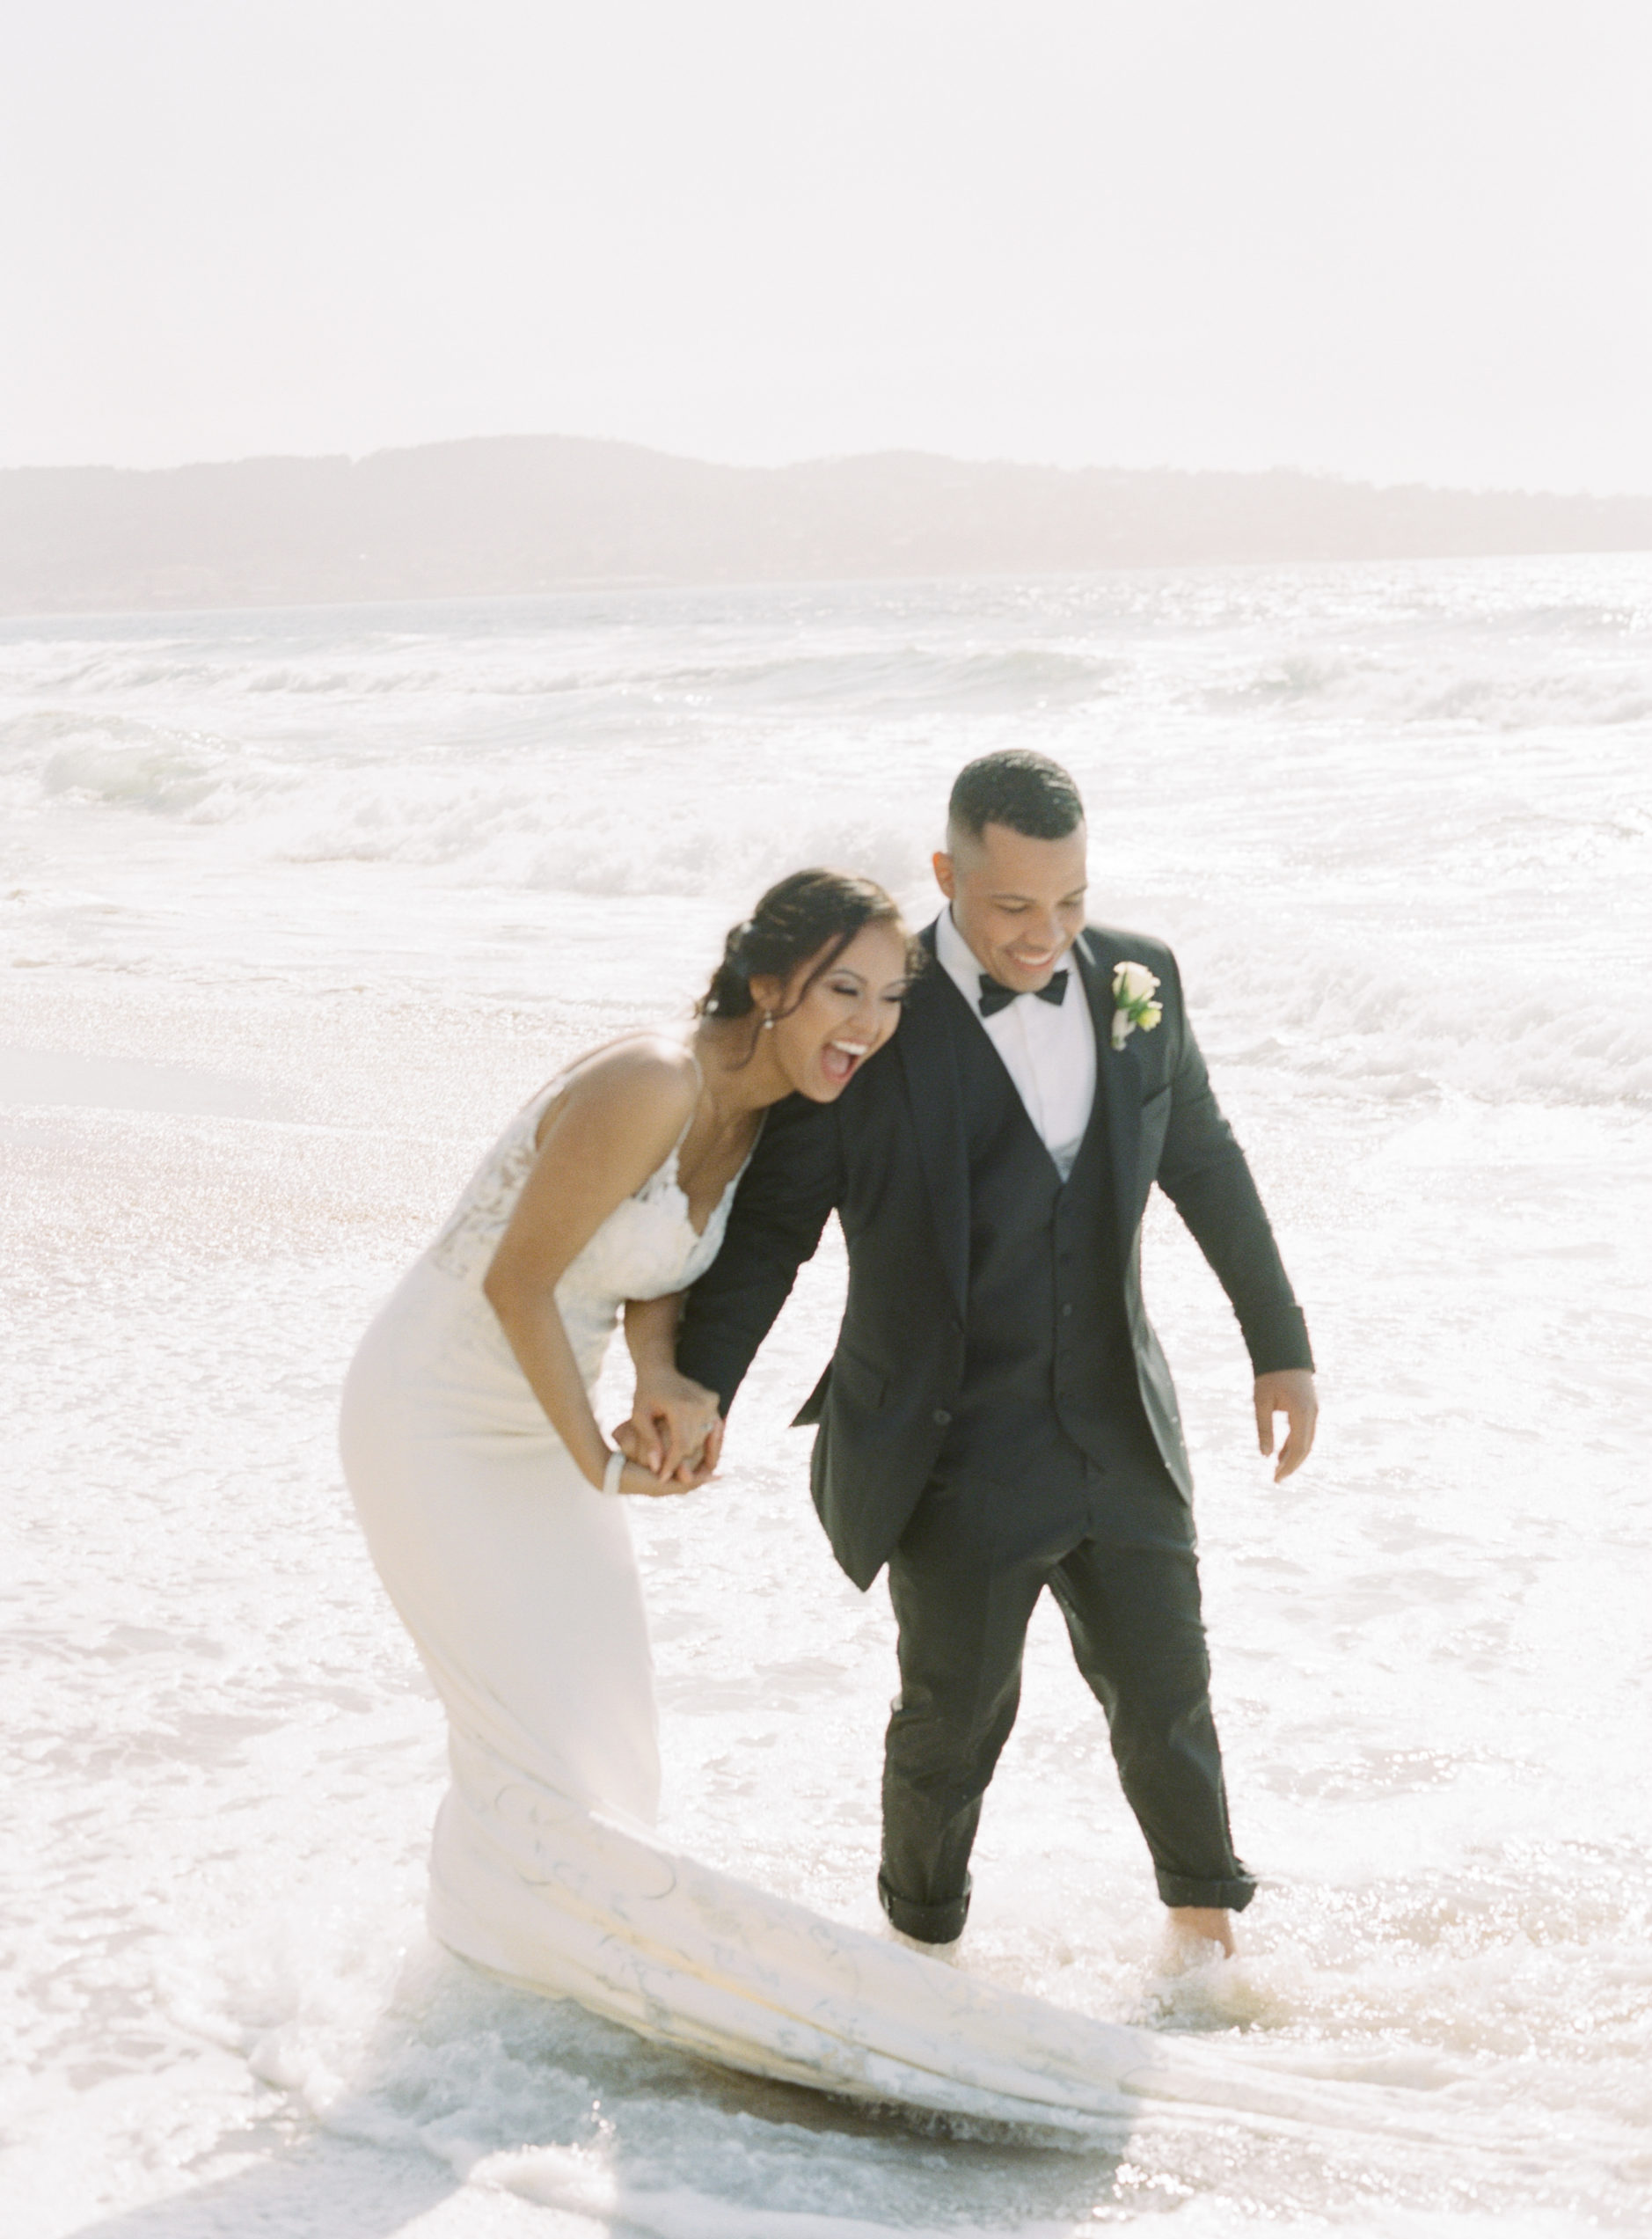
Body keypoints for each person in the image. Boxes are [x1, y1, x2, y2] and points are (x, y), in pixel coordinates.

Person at [339, 865, 1288, 2128]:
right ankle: (526, 1972)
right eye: (844, 989)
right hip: (445, 1418)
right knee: (535, 1716)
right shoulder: (650, 1078)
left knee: (600, 1725)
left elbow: (649, 1269)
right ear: (769, 979)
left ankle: (525, 1943)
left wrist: (668, 1379)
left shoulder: (755, 1110)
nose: (870, 1023)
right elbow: (520, 1283)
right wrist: (592, 1454)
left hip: (549, 1419)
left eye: (893, 996)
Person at [668, 751, 1318, 1959]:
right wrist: (700, 1384)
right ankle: (920, 1957)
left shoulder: (1138, 977)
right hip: (949, 1444)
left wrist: (1278, 1346)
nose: (1044, 934)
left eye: (1067, 900)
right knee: (952, 1721)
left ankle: (1203, 1956)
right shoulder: (868, 1016)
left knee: (1168, 1701)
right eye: (1013, 905)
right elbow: (774, 1230)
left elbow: (1207, 1161)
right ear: (945, 875)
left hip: (1117, 1420)